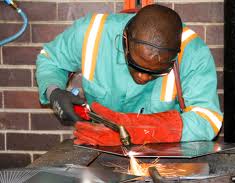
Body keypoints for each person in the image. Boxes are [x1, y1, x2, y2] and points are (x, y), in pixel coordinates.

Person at [36, 4, 223, 146]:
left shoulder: (193, 51)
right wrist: (54, 91)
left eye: (155, 72)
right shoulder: (92, 33)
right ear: (124, 40)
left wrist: (142, 130)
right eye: (136, 66)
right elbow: (51, 60)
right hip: (99, 147)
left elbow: (208, 118)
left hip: (165, 154)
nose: (142, 77)